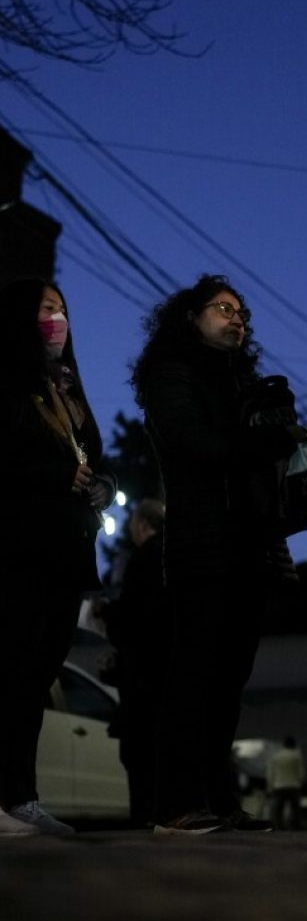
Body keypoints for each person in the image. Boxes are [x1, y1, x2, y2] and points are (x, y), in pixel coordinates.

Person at [131, 275, 307, 835]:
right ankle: (176, 805)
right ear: (190, 317)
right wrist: (274, 440)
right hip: (202, 544)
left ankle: (218, 799)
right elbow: (199, 445)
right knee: (194, 672)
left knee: (229, 680)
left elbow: (256, 455)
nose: (237, 319)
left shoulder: (244, 382)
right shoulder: (171, 373)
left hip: (250, 546)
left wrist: (296, 448)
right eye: (224, 308)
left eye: (242, 313)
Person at [0, 277, 115, 837]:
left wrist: (104, 484)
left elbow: (95, 453)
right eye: (47, 308)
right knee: (14, 668)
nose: (58, 320)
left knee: (40, 671)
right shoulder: (12, 387)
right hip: (21, 549)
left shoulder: (69, 389)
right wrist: (57, 475)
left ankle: (20, 797)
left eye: (64, 310)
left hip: (66, 555)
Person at [99, 498, 168, 826]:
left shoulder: (142, 560)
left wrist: (104, 614)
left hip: (142, 680)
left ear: (141, 525)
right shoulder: (172, 558)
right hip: (166, 676)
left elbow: (131, 620)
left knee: (139, 757)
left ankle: (144, 821)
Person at [266, 736, 307, 829]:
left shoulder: (276, 756)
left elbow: (271, 773)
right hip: (294, 786)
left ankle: (279, 827)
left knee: (278, 811)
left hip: (279, 786)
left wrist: (269, 788)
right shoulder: (297, 756)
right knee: (296, 810)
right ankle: (297, 827)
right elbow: (301, 773)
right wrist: (302, 783)